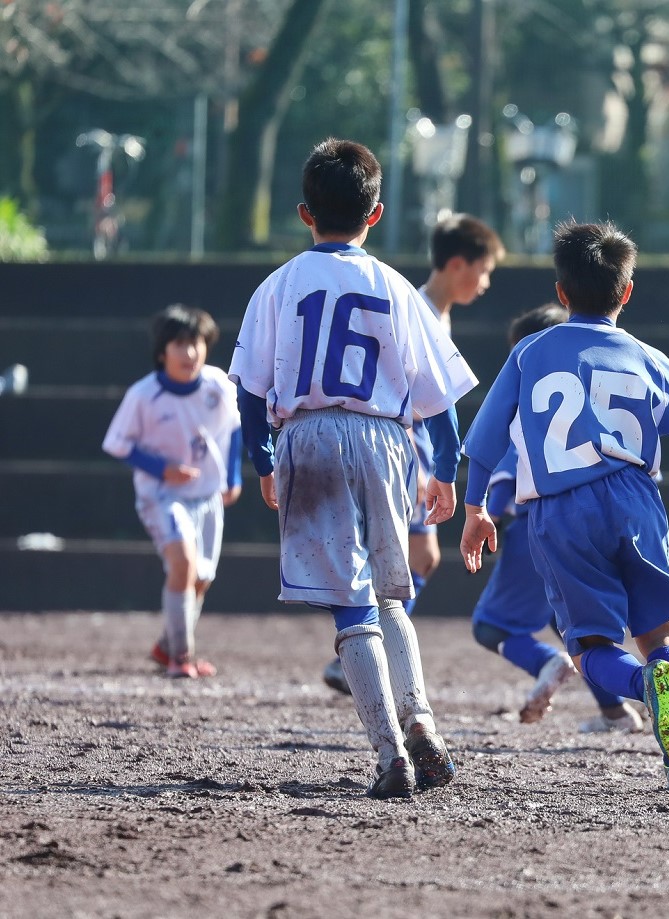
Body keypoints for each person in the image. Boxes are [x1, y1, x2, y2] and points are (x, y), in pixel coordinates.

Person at [460, 221, 669, 793]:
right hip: (637, 502)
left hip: (561, 510)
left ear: (562, 294)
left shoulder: (529, 353)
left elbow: (489, 436)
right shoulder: (647, 358)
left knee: (590, 646)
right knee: (662, 636)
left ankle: (643, 688)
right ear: (628, 291)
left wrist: (475, 511)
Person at [229, 138, 478, 799]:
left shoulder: (278, 284)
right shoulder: (398, 288)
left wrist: (262, 458)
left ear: (304, 212)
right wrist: (446, 471)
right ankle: (420, 718)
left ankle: (390, 753)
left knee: (350, 604)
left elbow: (250, 390)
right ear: (376, 214)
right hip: (386, 439)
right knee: (391, 595)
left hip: (307, 438)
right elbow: (440, 398)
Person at [322, 211, 506, 695]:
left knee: (414, 558)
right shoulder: (418, 307)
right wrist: (425, 467)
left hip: (404, 450)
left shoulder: (432, 310)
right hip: (400, 449)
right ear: (458, 264)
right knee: (415, 556)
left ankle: (360, 650)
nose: (486, 283)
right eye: (484, 270)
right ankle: (360, 650)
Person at [470, 302, 644, 732]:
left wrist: (485, 518)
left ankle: (548, 663)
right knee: (579, 629)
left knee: (491, 626)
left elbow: (507, 477)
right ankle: (617, 711)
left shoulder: (529, 411)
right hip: (602, 521)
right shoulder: (600, 396)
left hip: (540, 528)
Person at [102, 305, 241, 678]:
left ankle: (166, 646)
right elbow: (117, 444)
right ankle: (182, 657)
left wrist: (234, 476)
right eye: (180, 344)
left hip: (209, 496)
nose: (190, 353)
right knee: (183, 564)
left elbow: (235, 428)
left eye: (196, 343)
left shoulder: (219, 385)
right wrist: (162, 470)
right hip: (161, 496)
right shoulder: (143, 395)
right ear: (163, 351)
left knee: (200, 579)